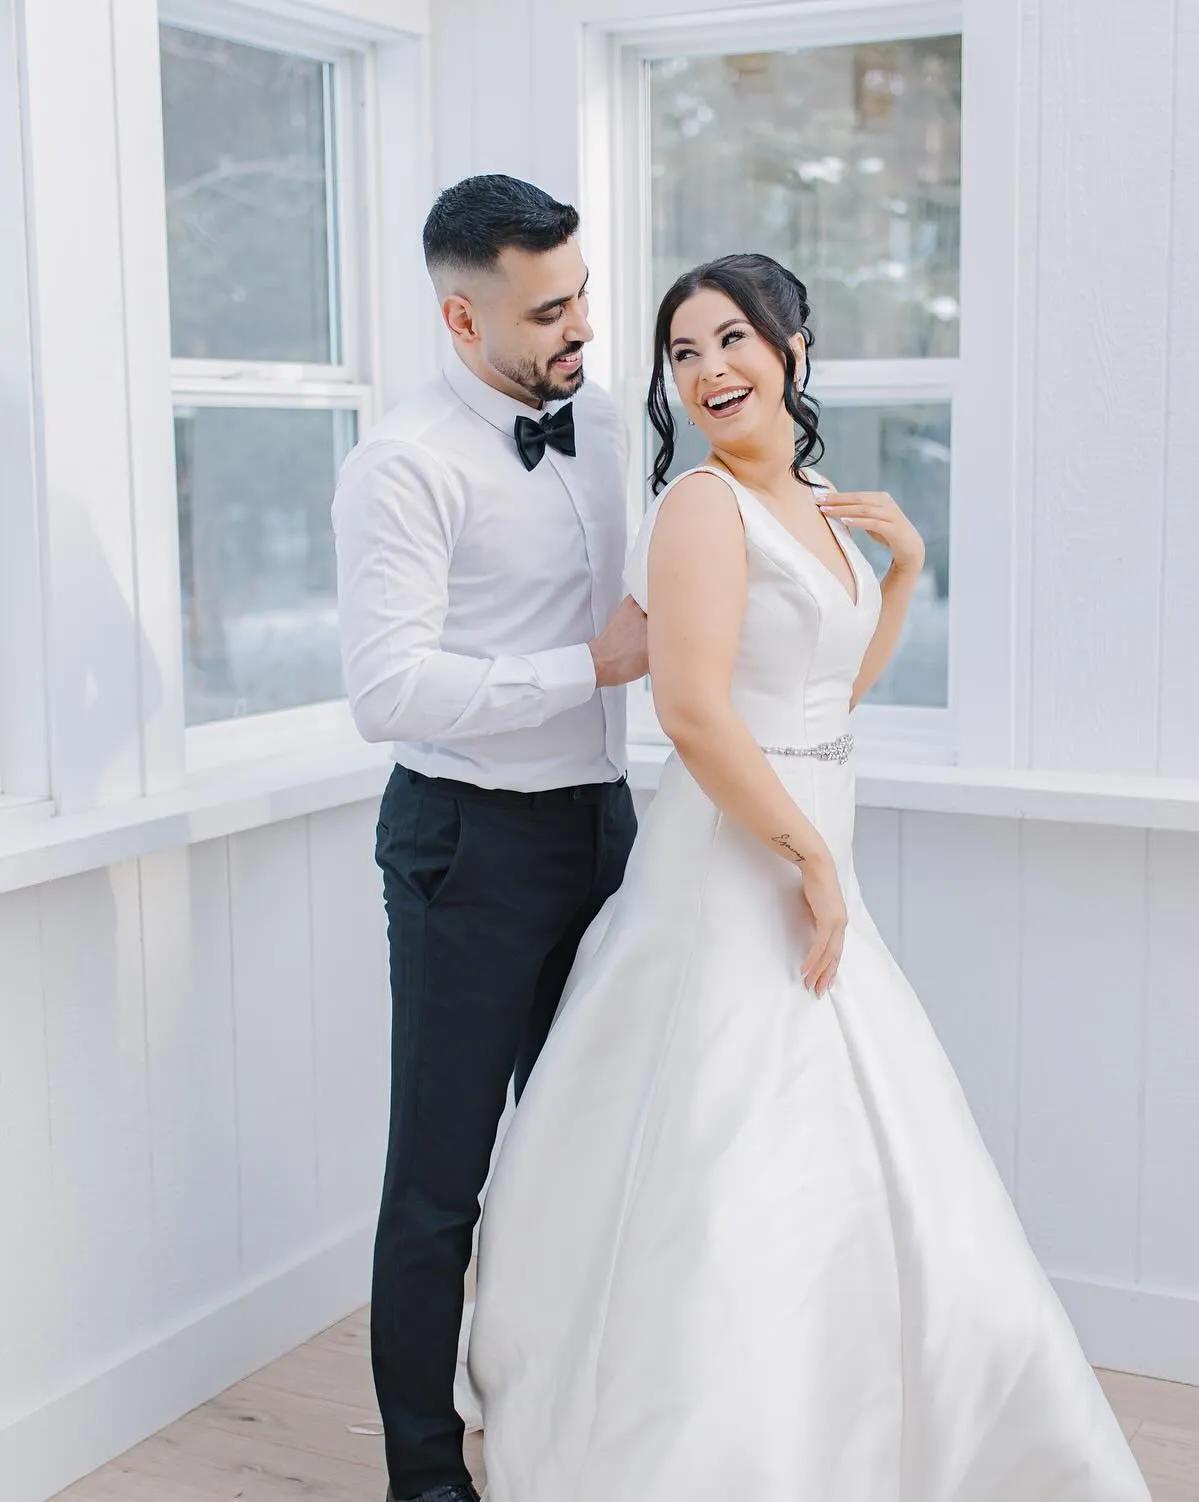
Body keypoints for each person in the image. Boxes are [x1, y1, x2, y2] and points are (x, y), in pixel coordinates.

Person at [465, 253, 1153, 1500]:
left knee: (863, 1138)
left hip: (809, 837)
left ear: (792, 348)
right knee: (732, 1134)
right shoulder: (699, 507)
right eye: (683, 353)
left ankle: (876, 1422)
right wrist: (810, 856)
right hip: (729, 864)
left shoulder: (818, 499)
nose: (708, 369)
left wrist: (905, 574)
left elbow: (835, 690)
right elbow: (691, 710)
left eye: (731, 338)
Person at [331, 174, 647, 1502]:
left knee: (596, 1153)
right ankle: (423, 1476)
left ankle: (564, 1434)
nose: (582, 326)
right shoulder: (403, 464)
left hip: (606, 829)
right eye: (547, 310)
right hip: (466, 845)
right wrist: (587, 667)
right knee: (440, 1182)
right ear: (462, 320)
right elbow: (386, 691)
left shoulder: (608, 418)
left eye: (582, 294)